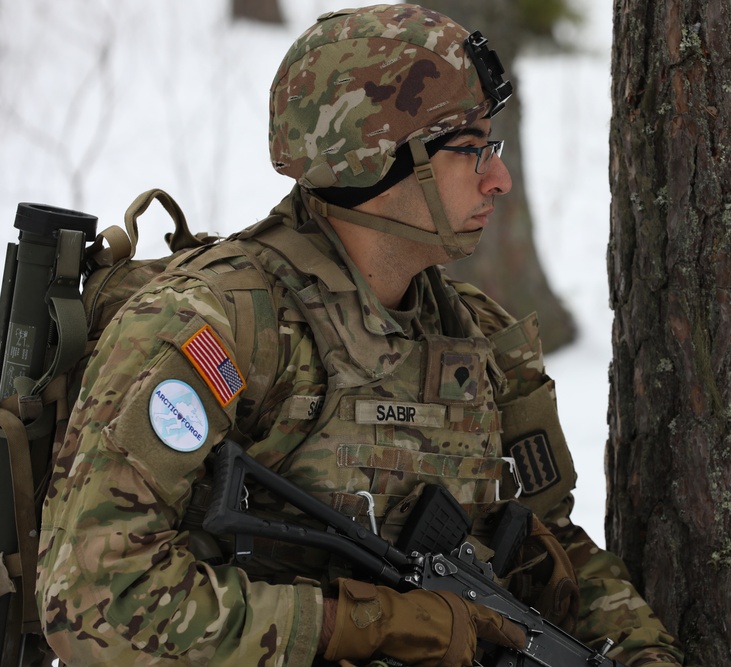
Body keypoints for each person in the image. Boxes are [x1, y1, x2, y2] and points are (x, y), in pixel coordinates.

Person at [36, 4, 685, 666]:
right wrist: (360, 624)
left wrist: (641, 652)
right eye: (469, 151)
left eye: (492, 148)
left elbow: (551, 547)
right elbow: (94, 600)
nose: (499, 178)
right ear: (376, 162)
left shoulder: (476, 336)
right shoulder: (214, 332)